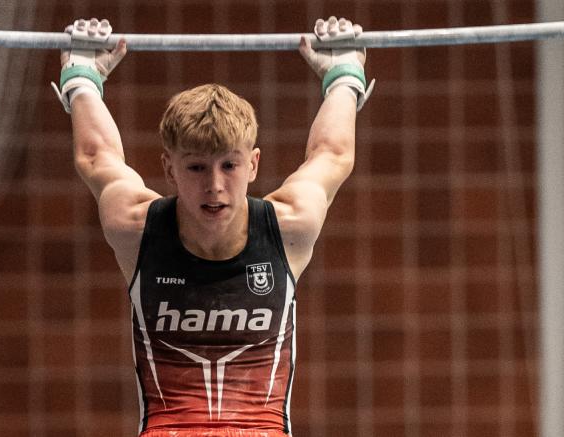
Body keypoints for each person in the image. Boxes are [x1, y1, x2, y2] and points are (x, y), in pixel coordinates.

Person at [53, 16, 373, 437]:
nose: (215, 186)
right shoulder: (138, 228)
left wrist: (343, 73)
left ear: (253, 164)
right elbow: (96, 158)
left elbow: (332, 155)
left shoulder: (288, 225)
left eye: (229, 165)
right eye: (197, 167)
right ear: (169, 167)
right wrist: (82, 76)